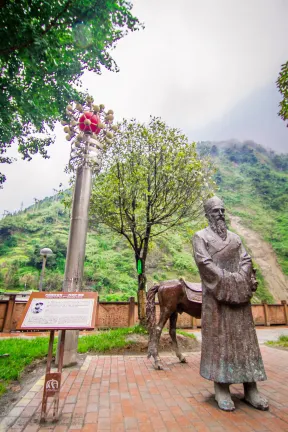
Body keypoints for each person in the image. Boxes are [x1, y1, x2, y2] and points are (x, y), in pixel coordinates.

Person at [192, 196, 268, 411]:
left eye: (223, 210)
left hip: (240, 295)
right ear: (207, 214)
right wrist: (226, 279)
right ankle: (221, 387)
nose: (221, 214)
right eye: (216, 211)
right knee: (220, 340)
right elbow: (204, 262)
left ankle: (250, 387)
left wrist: (240, 278)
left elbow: (246, 259)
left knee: (245, 340)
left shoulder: (235, 238)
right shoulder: (200, 237)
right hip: (216, 298)